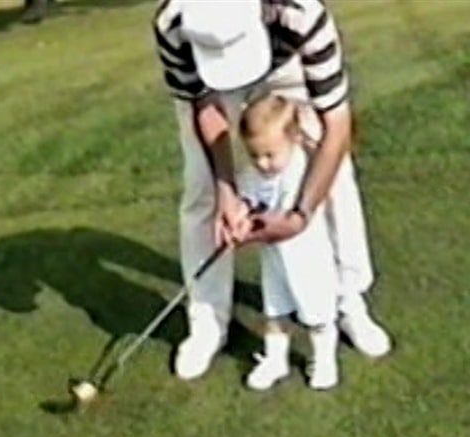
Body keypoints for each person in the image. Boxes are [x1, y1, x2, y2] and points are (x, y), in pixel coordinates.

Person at [152, 0, 392, 381]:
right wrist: (227, 192)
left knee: (336, 178)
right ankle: (208, 319)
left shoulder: (302, 13)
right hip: (208, 82)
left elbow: (337, 125)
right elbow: (204, 104)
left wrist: (300, 215)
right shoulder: (175, 26)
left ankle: (348, 299)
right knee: (203, 189)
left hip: (288, 64)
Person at [238, 93, 340, 390]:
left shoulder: (299, 170)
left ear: (294, 138)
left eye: (269, 154)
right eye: (254, 155)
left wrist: (248, 233)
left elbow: (283, 223)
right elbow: (248, 195)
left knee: (317, 314)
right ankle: (275, 360)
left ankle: (324, 359)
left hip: (307, 258)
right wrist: (241, 214)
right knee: (275, 311)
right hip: (275, 259)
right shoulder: (255, 171)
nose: (262, 163)